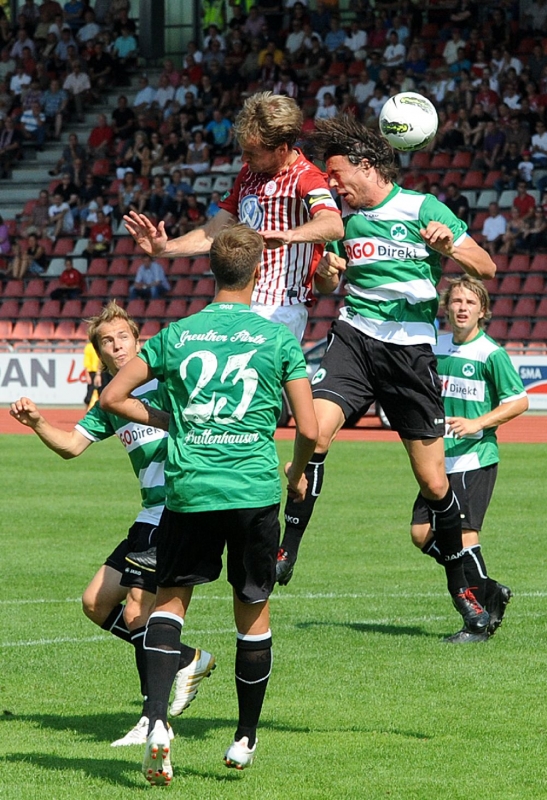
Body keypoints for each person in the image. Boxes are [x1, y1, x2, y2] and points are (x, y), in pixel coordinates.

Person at [100, 225, 318, 785]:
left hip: (191, 489)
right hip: (252, 491)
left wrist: (167, 420)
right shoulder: (276, 339)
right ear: (259, 272)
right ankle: (244, 739)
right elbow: (311, 428)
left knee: (170, 604)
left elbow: (113, 396)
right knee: (252, 612)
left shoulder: (177, 334)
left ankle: (156, 722)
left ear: (212, 270)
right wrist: (295, 473)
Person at [275, 115, 497, 639]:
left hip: (409, 355)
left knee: (434, 483)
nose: (333, 186)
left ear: (366, 166)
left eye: (337, 175)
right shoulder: (344, 224)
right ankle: (286, 549)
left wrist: (448, 245)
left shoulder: (423, 208)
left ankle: (465, 592)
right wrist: (327, 275)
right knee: (312, 431)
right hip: (354, 339)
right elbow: (328, 286)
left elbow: (485, 266)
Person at [9, 302, 215, 747]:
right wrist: (38, 421)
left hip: (177, 509)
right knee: (95, 602)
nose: (117, 345)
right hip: (149, 514)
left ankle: (152, 717)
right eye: (107, 341)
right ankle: (184, 658)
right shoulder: (109, 402)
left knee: (140, 610)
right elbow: (71, 446)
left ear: (138, 341)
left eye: (123, 336)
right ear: (99, 353)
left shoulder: (169, 382)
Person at [124, 91, 343, 342]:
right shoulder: (248, 174)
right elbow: (212, 233)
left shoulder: (307, 177)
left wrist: (289, 235)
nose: (244, 158)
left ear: (281, 149)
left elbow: (333, 224)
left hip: (278, 308)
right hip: (236, 303)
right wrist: (164, 248)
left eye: (252, 153)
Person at [410, 277, 528, 642]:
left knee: (463, 537)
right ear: (446, 307)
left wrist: (478, 423)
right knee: (420, 534)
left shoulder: (490, 353)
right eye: (457, 301)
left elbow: (518, 401)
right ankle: (488, 588)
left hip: (474, 459)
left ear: (483, 311)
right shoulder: (436, 346)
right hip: (437, 460)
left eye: (470, 302)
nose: (462, 307)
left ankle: (476, 621)